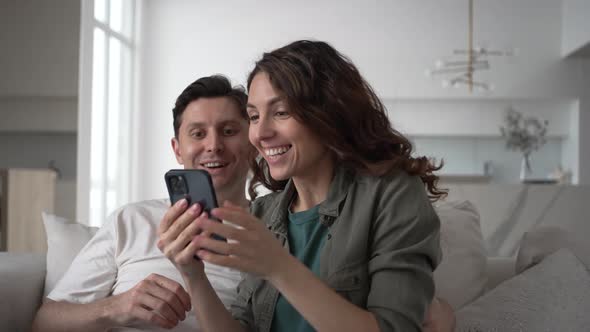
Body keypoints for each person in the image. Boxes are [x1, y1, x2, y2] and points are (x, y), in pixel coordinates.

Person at [158, 40, 453, 332]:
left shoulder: (392, 195)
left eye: (281, 112)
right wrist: (194, 276)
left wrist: (278, 266)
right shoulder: (263, 213)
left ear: (329, 113)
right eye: (254, 117)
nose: (260, 133)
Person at [32, 75, 255, 332]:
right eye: (198, 133)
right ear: (177, 149)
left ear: (252, 143)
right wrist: (114, 308)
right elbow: (43, 323)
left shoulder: (274, 230)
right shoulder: (130, 220)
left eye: (228, 131)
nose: (214, 145)